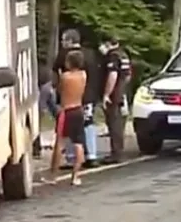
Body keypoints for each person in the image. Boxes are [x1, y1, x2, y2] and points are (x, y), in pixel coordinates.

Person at [53, 29, 101, 165]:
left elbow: (56, 74)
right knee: (88, 123)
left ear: (70, 41)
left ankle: (71, 157)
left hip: (70, 99)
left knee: (68, 129)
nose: (62, 43)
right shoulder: (90, 54)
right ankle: (91, 155)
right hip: (88, 95)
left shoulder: (64, 55)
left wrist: (58, 91)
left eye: (63, 40)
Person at [45, 50, 86, 186]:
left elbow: (60, 90)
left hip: (66, 110)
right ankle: (76, 176)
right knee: (78, 143)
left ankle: (53, 175)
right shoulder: (83, 75)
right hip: (79, 109)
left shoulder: (66, 77)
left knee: (60, 143)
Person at [100, 35, 132, 163]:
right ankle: (119, 151)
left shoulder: (112, 56)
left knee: (114, 123)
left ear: (108, 43)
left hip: (115, 95)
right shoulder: (123, 55)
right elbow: (129, 74)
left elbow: (112, 75)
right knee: (120, 123)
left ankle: (116, 154)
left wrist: (107, 94)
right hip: (123, 93)